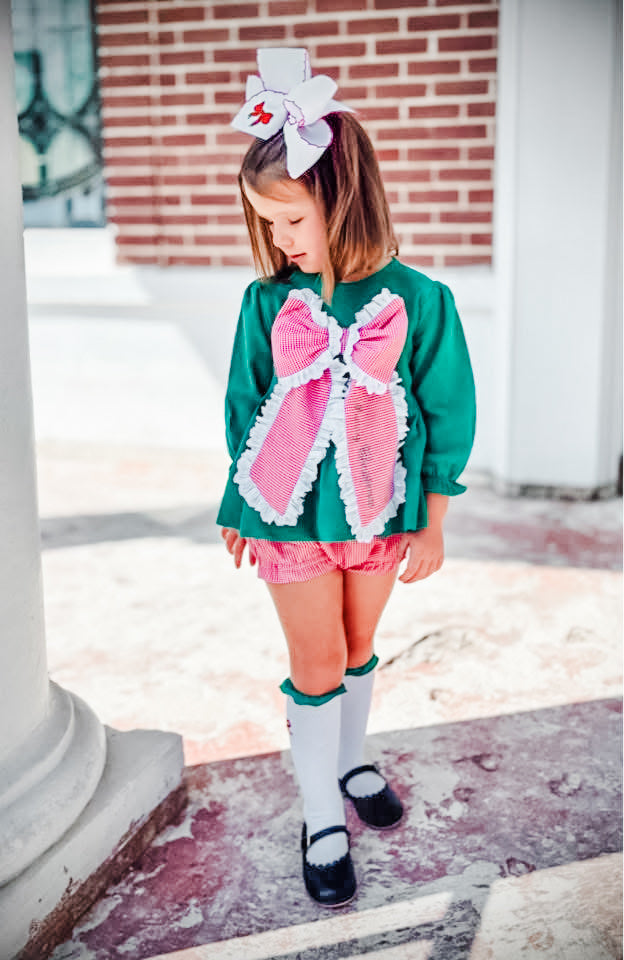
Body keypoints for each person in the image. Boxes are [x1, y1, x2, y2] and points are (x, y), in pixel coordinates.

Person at [217, 47, 476, 908]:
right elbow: (245, 407)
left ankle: (354, 757)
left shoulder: (421, 300)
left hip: (377, 513)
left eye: (290, 221)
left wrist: (432, 519)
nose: (278, 242)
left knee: (361, 647)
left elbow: (447, 413)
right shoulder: (266, 304)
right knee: (318, 656)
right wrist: (237, 505)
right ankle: (319, 809)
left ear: (343, 199)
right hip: (287, 517)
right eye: (268, 224)